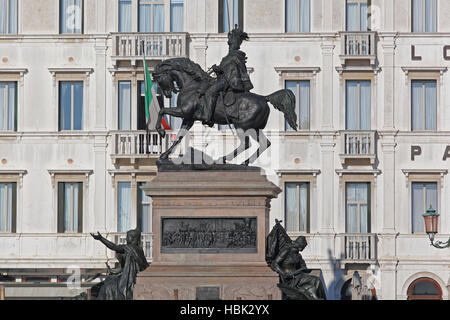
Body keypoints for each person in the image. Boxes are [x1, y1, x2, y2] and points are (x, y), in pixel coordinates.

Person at [198, 25, 254, 127]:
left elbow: (230, 70)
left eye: (230, 44)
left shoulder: (235, 56)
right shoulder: (231, 56)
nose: (229, 46)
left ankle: (208, 117)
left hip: (228, 81)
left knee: (210, 92)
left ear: (234, 44)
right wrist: (218, 69)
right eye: (229, 44)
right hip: (224, 79)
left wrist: (218, 69)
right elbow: (226, 69)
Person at [90, 229, 149, 300]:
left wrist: (101, 239)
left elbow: (113, 246)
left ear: (134, 238)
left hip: (129, 278)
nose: (126, 238)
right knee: (108, 282)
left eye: (128, 236)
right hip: (130, 276)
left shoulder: (129, 248)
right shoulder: (139, 250)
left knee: (106, 287)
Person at [270, 236, 326, 300]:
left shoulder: (298, 255)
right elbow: (274, 264)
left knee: (317, 281)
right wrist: (283, 273)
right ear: (300, 245)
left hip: (298, 276)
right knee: (316, 280)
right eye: (304, 246)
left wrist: (304, 269)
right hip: (289, 279)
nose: (304, 248)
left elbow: (303, 266)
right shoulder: (287, 250)